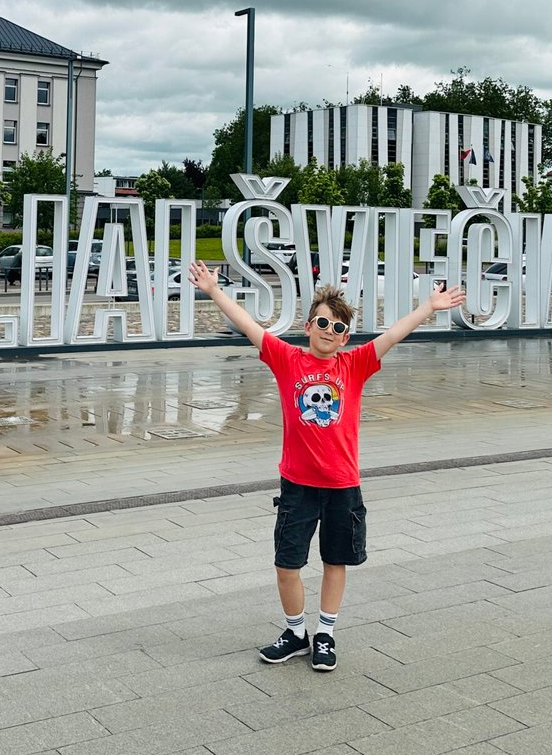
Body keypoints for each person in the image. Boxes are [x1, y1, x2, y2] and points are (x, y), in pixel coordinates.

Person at [188, 260, 465, 672]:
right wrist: (214, 291)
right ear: (308, 325)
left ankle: (325, 634)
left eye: (338, 329)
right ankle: (296, 632)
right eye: (323, 323)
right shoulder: (287, 361)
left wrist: (428, 308)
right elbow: (249, 325)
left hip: (341, 485)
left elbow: (391, 336)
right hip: (298, 485)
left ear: (345, 337)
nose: (329, 332)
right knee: (287, 564)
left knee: (335, 561)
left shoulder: (353, 366)